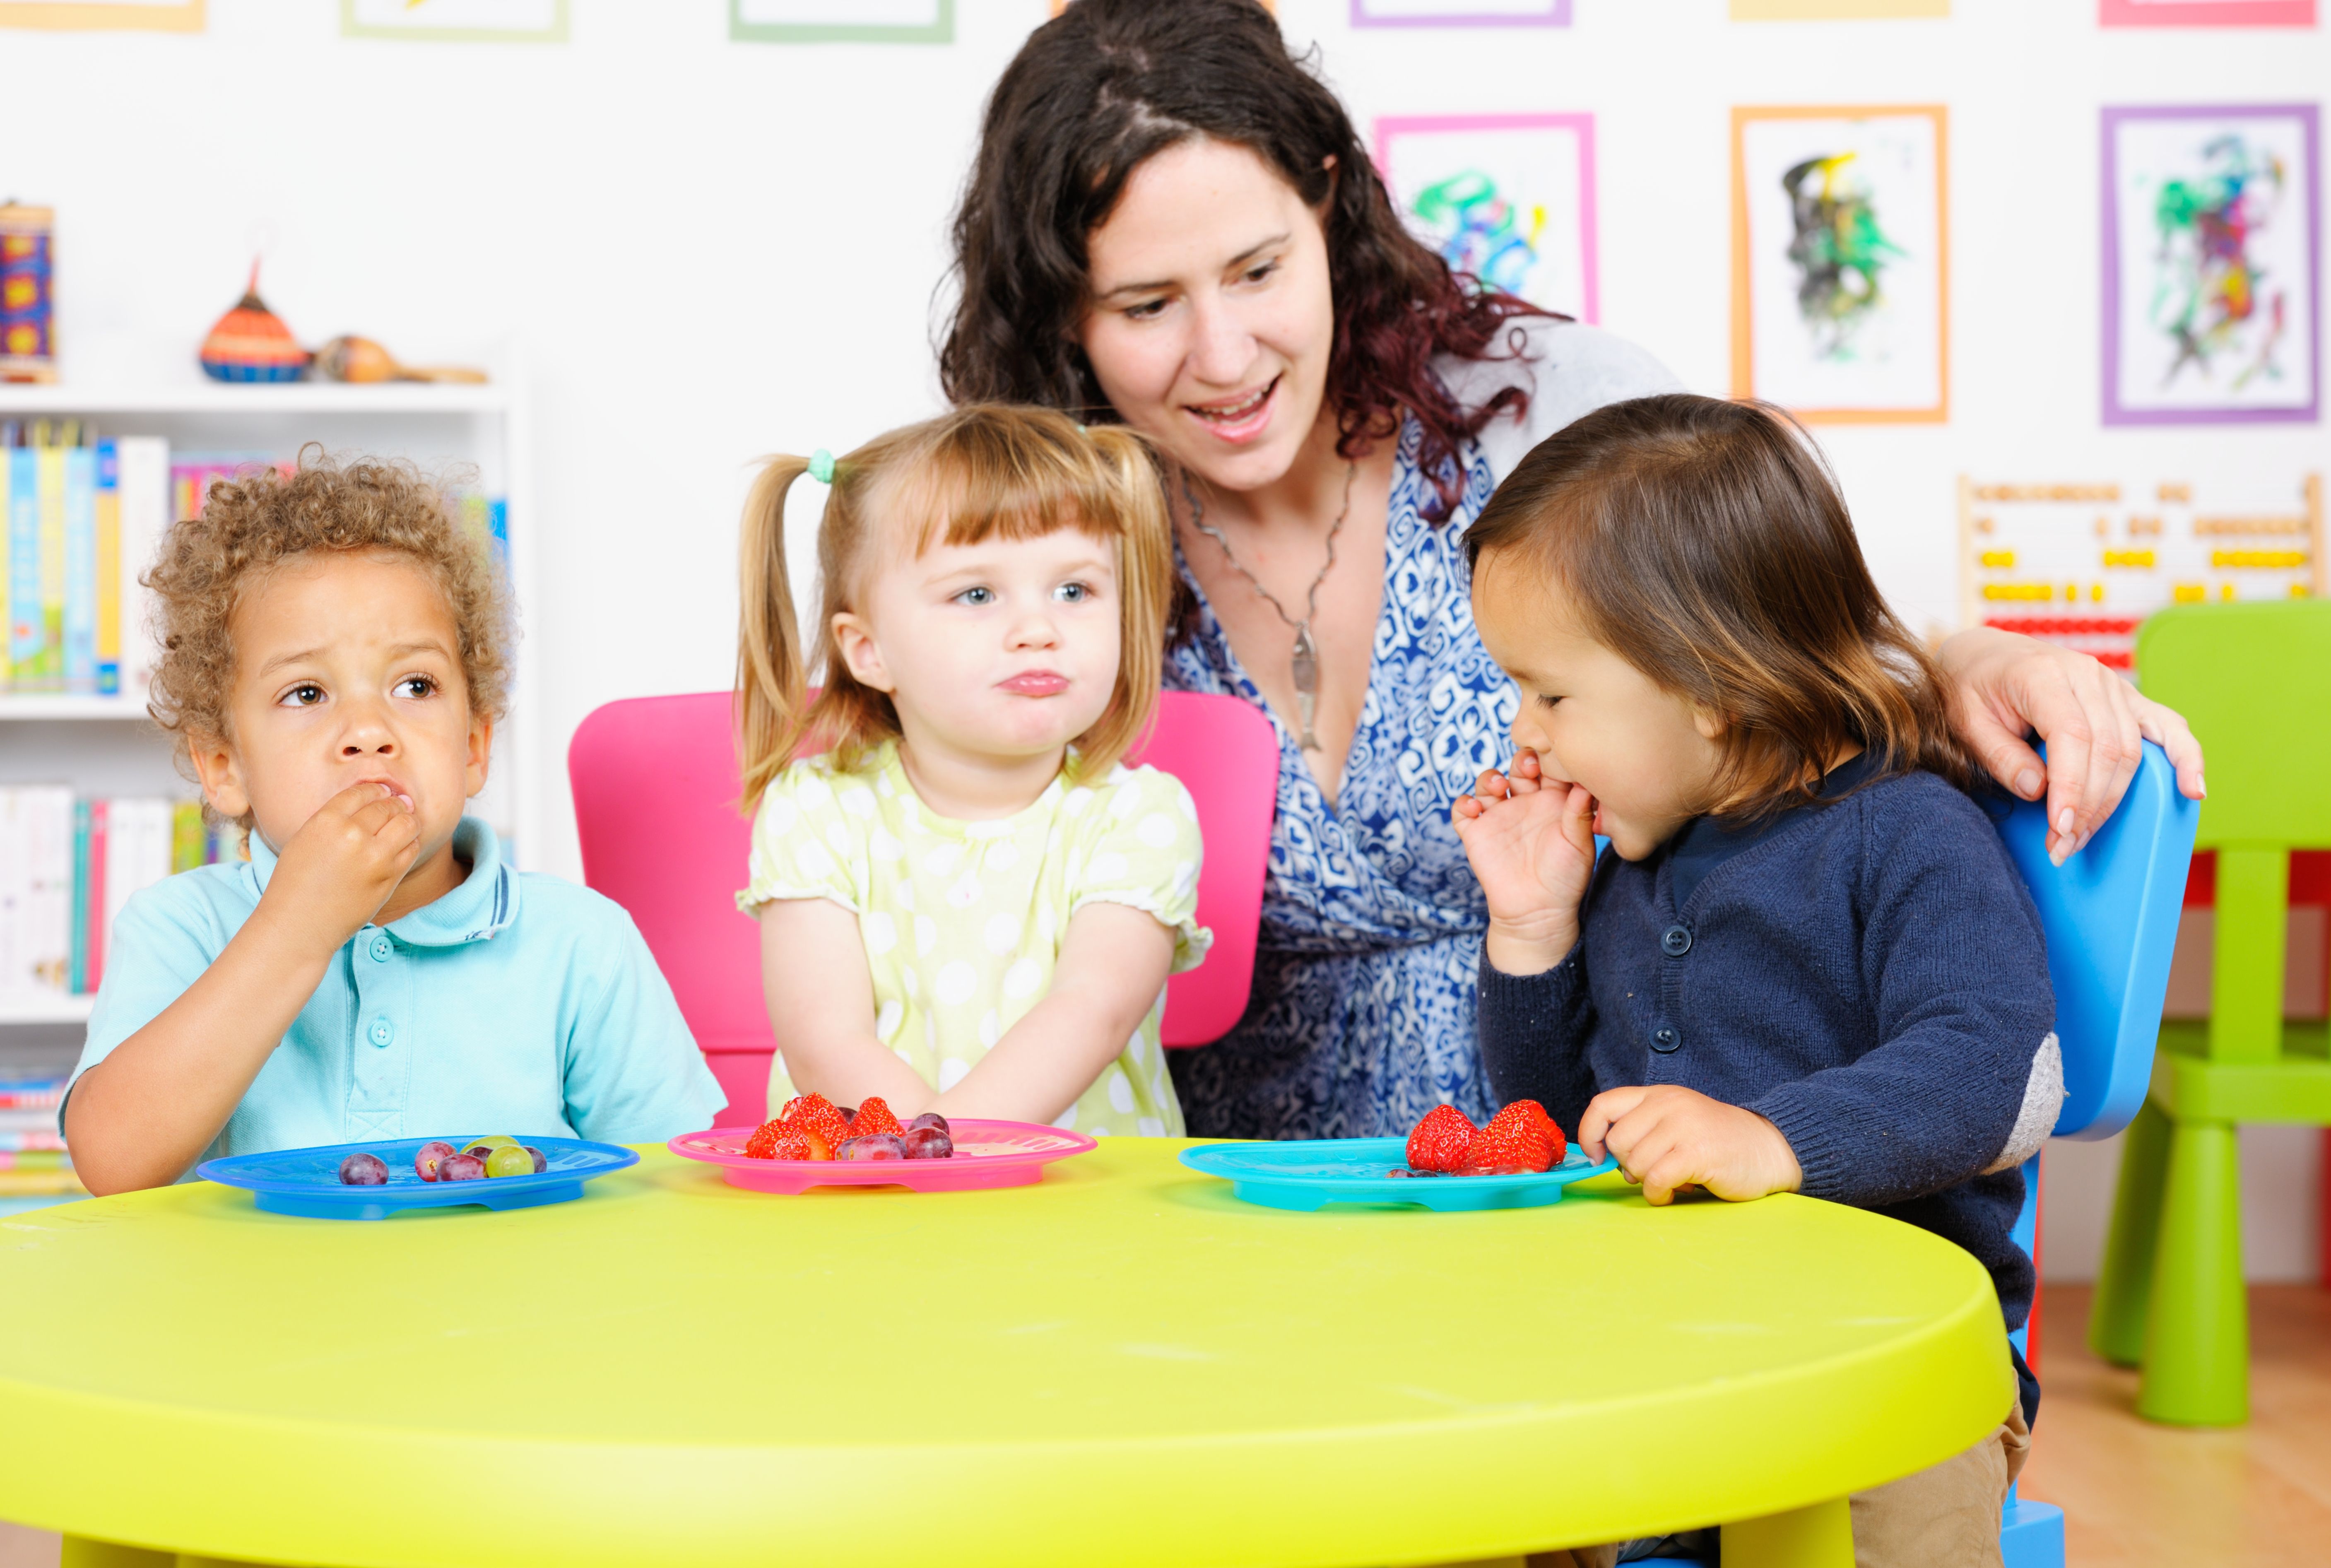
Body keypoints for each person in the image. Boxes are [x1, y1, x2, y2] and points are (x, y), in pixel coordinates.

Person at [936, 0, 2202, 1142]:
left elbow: (1799, 647)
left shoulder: (1552, 412)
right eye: (1147, 305)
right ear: (1062, 312)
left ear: (1331, 202)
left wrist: (1981, 659)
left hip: (1588, 1180)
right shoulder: (1045, 539)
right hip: (1236, 1202)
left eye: (1259, 271)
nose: (1221, 354)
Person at [1457, 397, 2047, 1568]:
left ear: (1711, 686)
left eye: (1552, 694)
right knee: (1449, 1473)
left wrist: (1770, 1140)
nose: (1523, 733)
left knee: (1897, 1492)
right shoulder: (1645, 847)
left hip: (1884, 1354)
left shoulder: (1906, 832)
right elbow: (1553, 1121)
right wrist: (1532, 930)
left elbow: (1994, 1067)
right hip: (1649, 1347)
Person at [63, 456, 725, 1193]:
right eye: (307, 692)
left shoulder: (580, 944)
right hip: (260, 1310)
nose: (369, 731)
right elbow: (112, 1164)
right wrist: (298, 925)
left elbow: (678, 1189)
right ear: (225, 767)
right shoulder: (181, 927)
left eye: (415, 685)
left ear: (474, 746)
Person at [734, 405, 1208, 1135]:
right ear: (869, 651)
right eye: (977, 595)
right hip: (877, 1205)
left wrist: (943, 1148)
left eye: (1074, 590)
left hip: (1086, 1214)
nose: (1038, 630)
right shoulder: (815, 810)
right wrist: (931, 1162)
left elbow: (1093, 1011)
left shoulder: (1139, 815)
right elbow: (826, 1042)